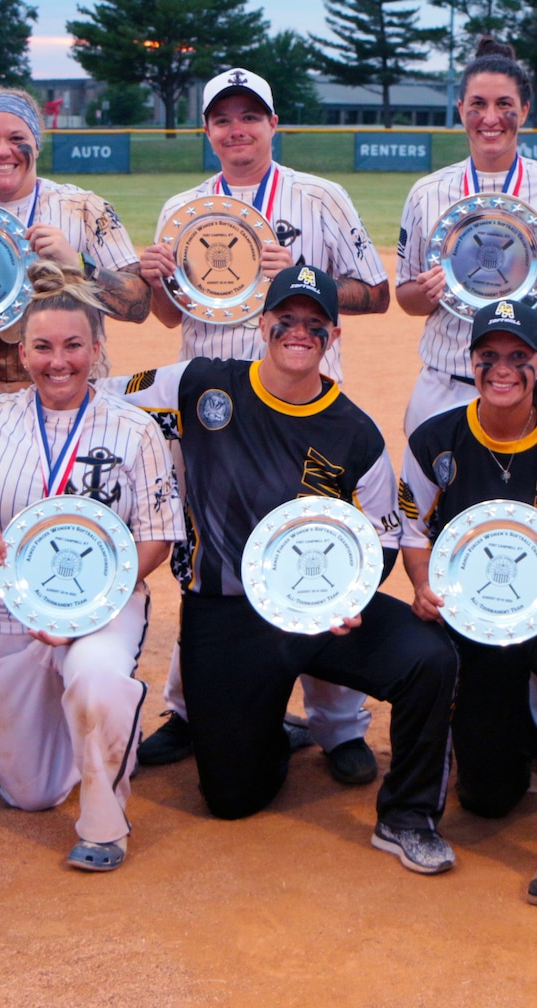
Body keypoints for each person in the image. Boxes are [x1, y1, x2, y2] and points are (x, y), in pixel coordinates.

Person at [102, 265, 460, 875]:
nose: (299, 332)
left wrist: (353, 596)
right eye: (286, 320)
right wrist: (1, 400)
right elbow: (102, 396)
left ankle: (408, 816)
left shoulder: (355, 434)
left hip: (319, 611)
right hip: (227, 608)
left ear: (332, 338)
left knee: (431, 656)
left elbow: (383, 536)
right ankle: (266, 730)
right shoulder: (198, 382)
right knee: (231, 801)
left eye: (314, 325)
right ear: (262, 324)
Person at [133, 67, 390, 784]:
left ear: (273, 125)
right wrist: (156, 279)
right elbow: (170, 316)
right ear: (207, 130)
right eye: (222, 119)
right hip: (211, 409)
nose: (236, 130)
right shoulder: (184, 208)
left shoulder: (318, 198)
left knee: (318, 548)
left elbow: (376, 294)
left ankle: (338, 724)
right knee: (201, 553)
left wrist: (303, 274)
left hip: (301, 406)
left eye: (250, 116)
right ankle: (191, 706)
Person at [0, 262, 182, 871]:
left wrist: (93, 602)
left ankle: (104, 817)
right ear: (22, 348)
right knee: (31, 794)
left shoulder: (133, 428)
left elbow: (157, 536)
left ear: (96, 349)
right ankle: (93, 736)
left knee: (96, 683)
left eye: (73, 346)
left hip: (97, 613)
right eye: (42, 346)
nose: (57, 361)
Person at [0, 86, 153, 789]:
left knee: (79, 547)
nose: (1, 151)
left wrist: (78, 264)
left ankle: (91, 705)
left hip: (74, 399)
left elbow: (138, 303)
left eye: (15, 139)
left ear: (37, 141)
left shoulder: (84, 208)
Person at [399, 300, 537, 907]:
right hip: (474, 622)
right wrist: (423, 585)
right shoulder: (435, 438)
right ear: (471, 362)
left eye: (517, 358)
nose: (503, 369)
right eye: (489, 357)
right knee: (489, 800)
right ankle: (512, 736)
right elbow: (414, 531)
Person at [396, 37, 537, 437]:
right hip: (451, 379)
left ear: (524, 110)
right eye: (478, 104)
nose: (491, 117)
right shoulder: (427, 192)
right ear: (461, 110)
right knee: (432, 499)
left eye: (504, 104)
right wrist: (429, 291)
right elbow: (406, 298)